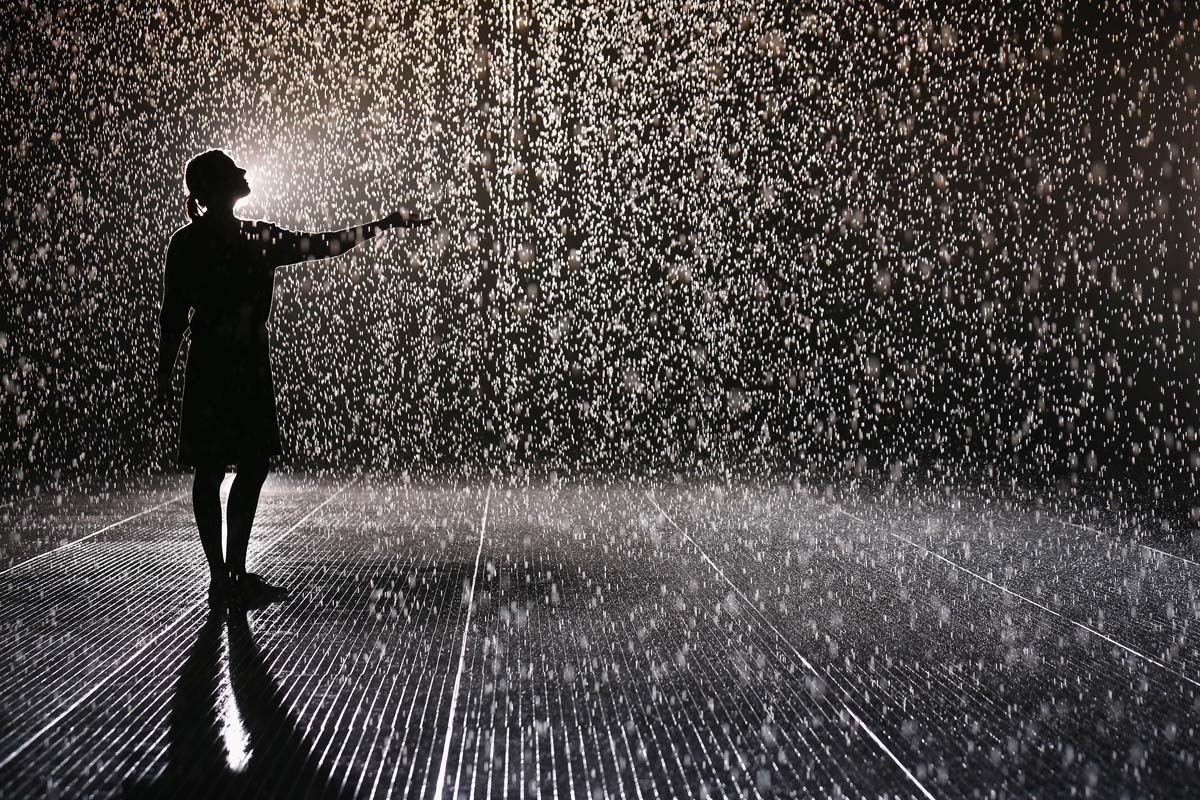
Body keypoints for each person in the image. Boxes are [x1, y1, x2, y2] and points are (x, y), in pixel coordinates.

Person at [155, 149, 431, 607]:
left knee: (210, 468)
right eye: (234, 170)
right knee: (249, 464)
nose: (245, 172)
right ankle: (232, 574)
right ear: (220, 187)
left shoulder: (187, 244)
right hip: (244, 363)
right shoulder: (256, 238)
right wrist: (381, 224)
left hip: (208, 362)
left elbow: (173, 318)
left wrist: (164, 374)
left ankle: (222, 578)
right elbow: (322, 246)